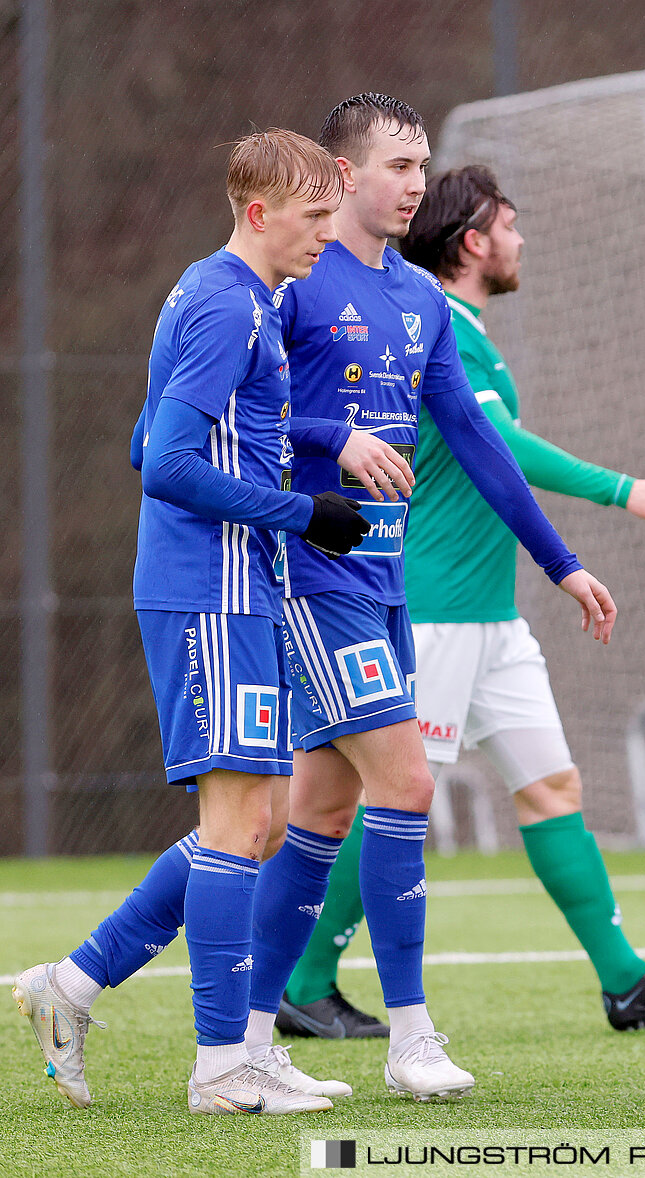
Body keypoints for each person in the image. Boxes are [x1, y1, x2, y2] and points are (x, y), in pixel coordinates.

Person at [271, 164, 645, 1040]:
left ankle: (625, 980)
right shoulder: (433, 319)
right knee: (393, 798)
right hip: (435, 608)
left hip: (492, 616)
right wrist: (621, 489)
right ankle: (304, 978)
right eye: (511, 227)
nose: (523, 242)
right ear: (476, 242)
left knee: (552, 786)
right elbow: (500, 445)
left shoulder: (464, 328)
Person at [254, 92, 616, 1103]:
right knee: (404, 783)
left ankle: (185, 1011)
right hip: (311, 574)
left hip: (384, 584)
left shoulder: (418, 301)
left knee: (307, 813)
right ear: (338, 177)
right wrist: (333, 441)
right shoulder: (288, 284)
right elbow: (236, 422)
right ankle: (410, 1034)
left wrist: (562, 563)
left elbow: (478, 442)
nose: (415, 183)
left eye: (422, 167)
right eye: (397, 165)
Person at [14, 129, 383, 1114]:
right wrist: (302, 509)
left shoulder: (234, 294)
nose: (325, 233)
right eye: (312, 217)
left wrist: (316, 448)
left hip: (238, 586)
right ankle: (221, 1065)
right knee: (238, 824)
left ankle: (78, 984)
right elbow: (166, 460)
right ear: (258, 213)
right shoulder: (227, 302)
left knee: (255, 823)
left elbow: (157, 427)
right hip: (205, 587)